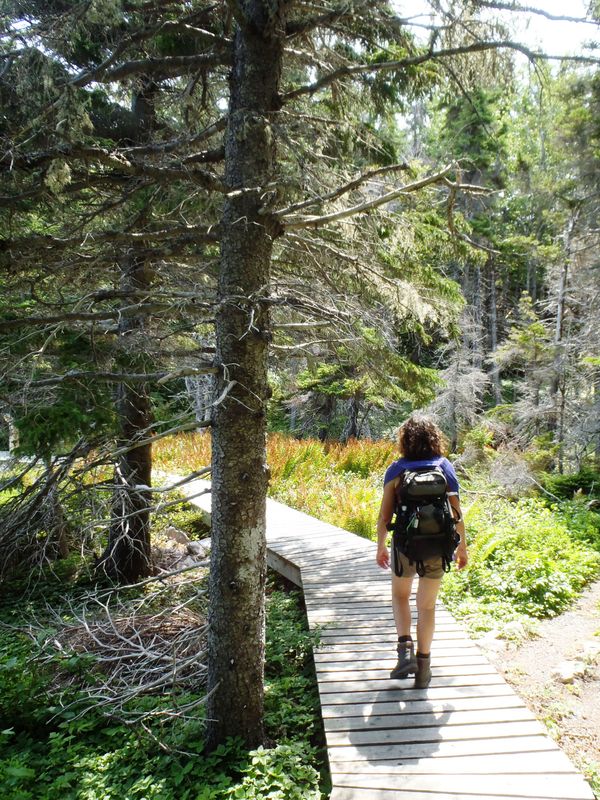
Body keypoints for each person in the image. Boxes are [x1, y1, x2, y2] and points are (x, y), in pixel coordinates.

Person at [376, 416, 468, 688]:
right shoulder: (444, 467)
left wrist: (381, 545)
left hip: (405, 545)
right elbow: (457, 514)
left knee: (400, 596)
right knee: (427, 606)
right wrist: (462, 547)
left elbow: (384, 516)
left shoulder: (396, 470)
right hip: (438, 547)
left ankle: (405, 653)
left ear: (404, 440)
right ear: (434, 438)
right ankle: (424, 668)